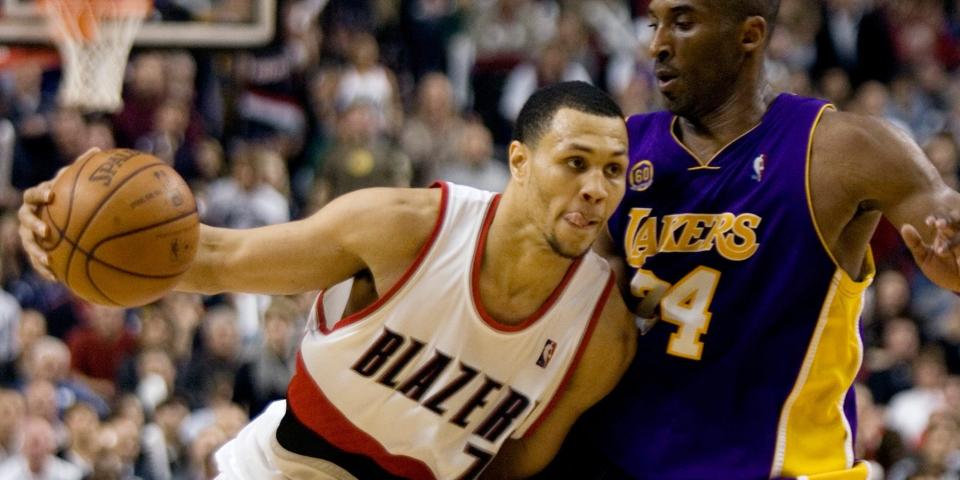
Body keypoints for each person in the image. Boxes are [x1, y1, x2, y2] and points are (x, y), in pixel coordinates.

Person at [17, 81, 636, 479]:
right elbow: (213, 259)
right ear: (520, 163)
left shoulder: (602, 331)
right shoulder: (403, 227)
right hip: (287, 464)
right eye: (575, 163)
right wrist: (63, 243)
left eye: (613, 170)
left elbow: (518, 460)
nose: (595, 188)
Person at [536, 1, 960, 479]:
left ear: (750, 35)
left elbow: (947, 225)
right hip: (627, 460)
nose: (656, 44)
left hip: (788, 469)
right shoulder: (620, 153)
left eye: (683, 22)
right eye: (655, 24)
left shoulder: (842, 150)